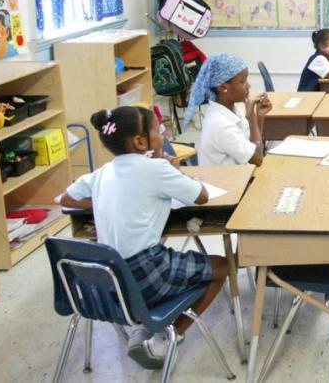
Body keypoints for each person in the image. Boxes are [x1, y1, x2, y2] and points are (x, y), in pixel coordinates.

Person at [59, 106, 227, 370]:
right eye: (157, 130)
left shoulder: (103, 172)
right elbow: (202, 196)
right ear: (140, 141)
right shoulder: (157, 169)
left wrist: (111, 201)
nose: (163, 134)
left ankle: (146, 327)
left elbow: (67, 199)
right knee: (221, 266)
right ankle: (168, 337)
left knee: (176, 260)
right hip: (144, 271)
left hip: (109, 281)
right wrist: (175, 170)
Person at [186, 54, 271, 166]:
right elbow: (257, 159)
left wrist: (258, 116)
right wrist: (251, 116)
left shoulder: (232, 109)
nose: (248, 86)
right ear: (223, 88)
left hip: (239, 177)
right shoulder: (219, 123)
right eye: (243, 81)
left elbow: (253, 145)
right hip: (225, 182)